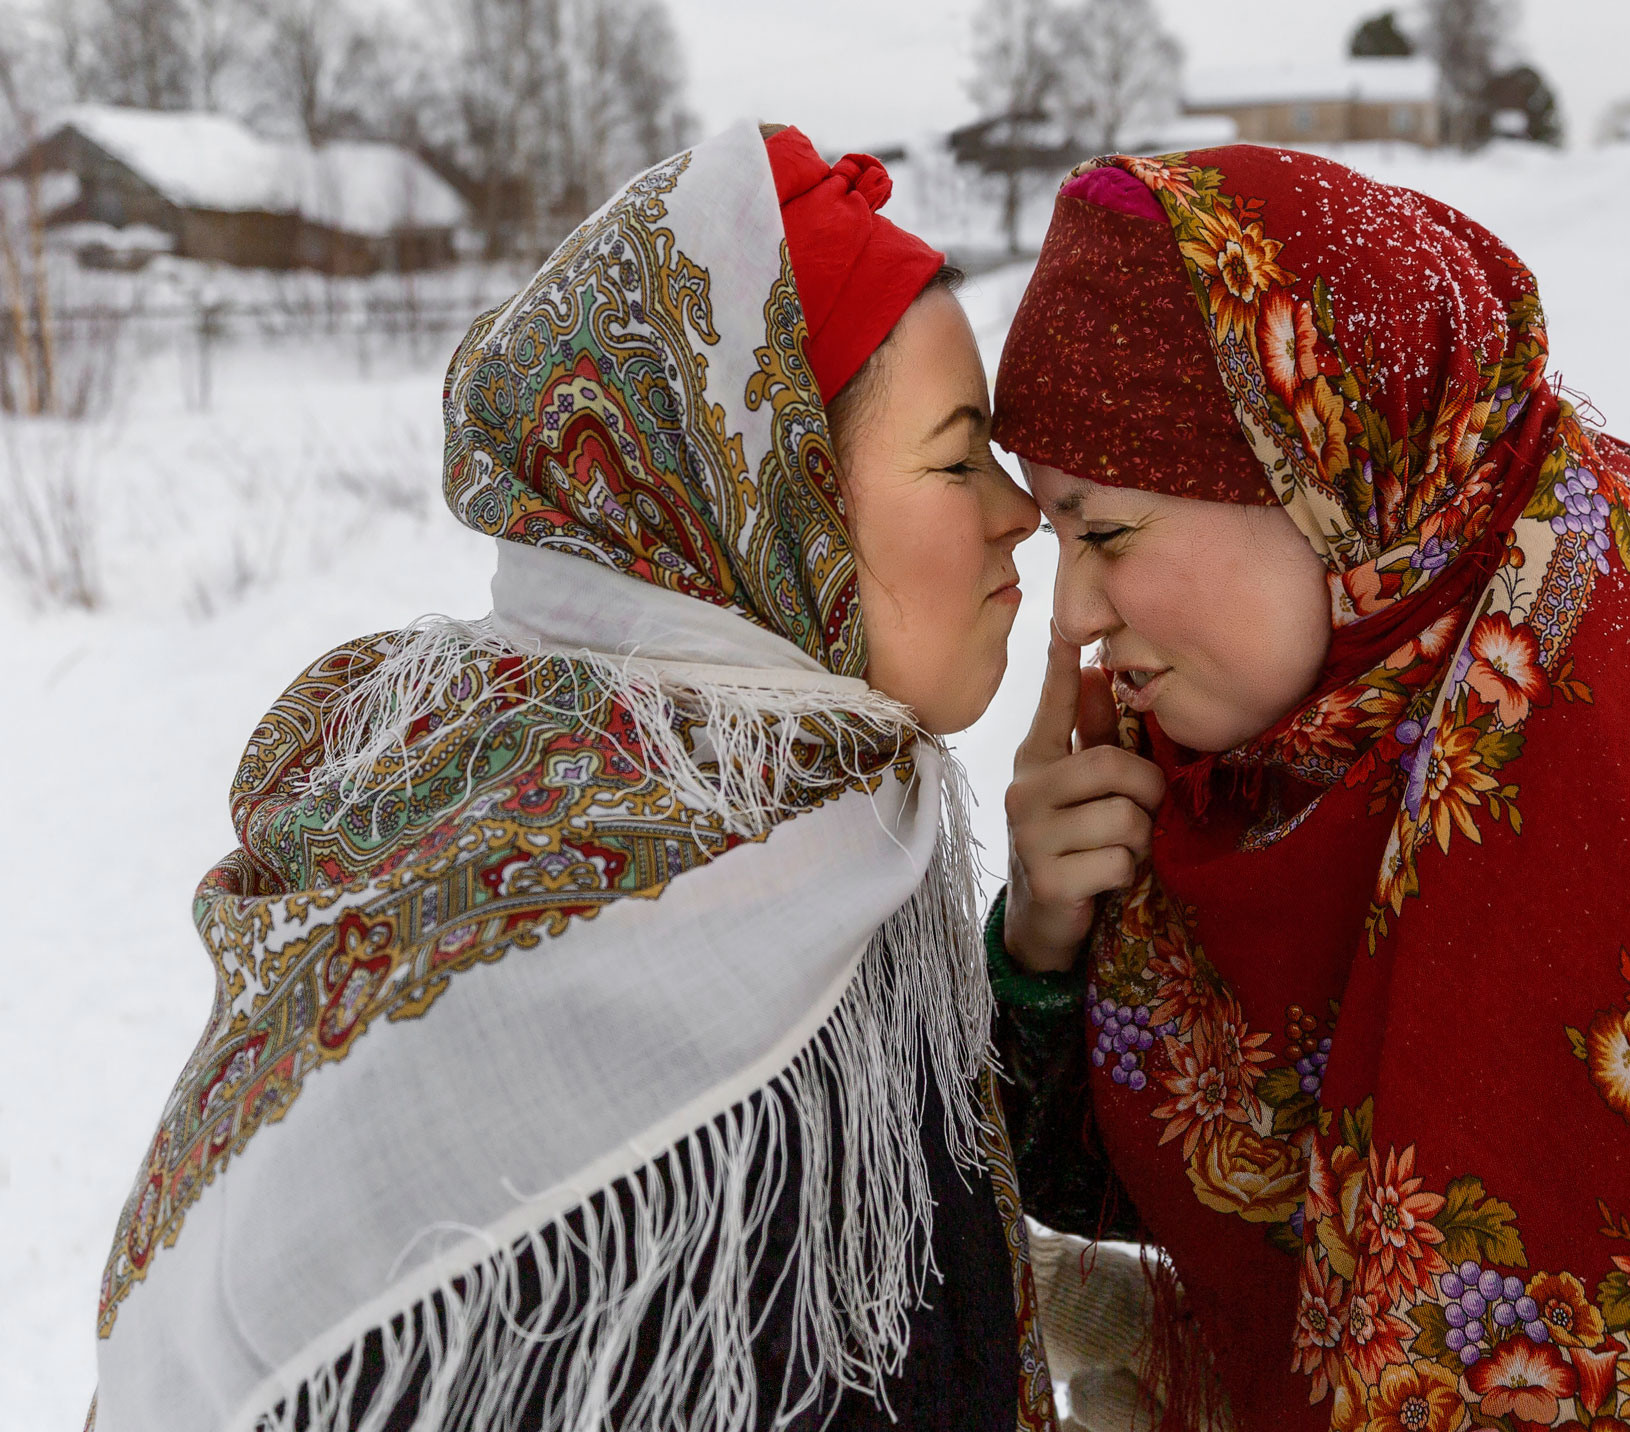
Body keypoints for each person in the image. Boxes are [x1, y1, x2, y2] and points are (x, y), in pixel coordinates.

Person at [988, 145, 1630, 1432]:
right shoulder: (1279, 744)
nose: (1073, 615)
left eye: (1109, 533)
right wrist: (1041, 949)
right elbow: (1136, 1179)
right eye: (1054, 535)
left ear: (1328, 483)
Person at [88, 122, 1055, 1432]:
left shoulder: (791, 843)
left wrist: (1043, 967)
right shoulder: (721, 939)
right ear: (771, 507)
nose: (1020, 509)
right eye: (957, 455)